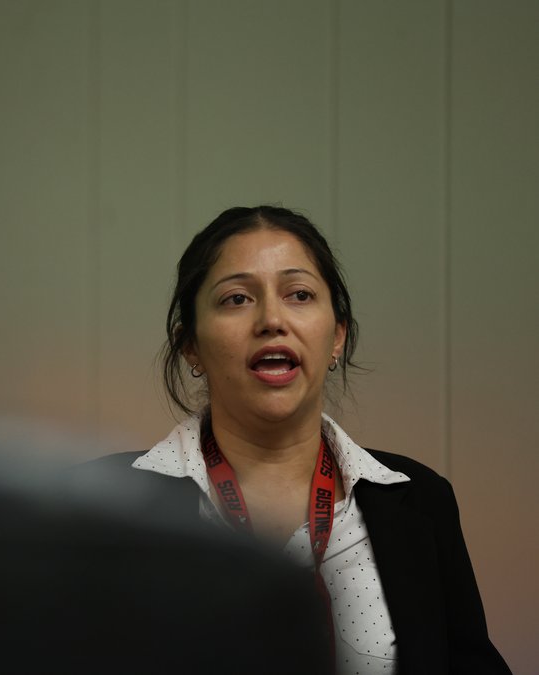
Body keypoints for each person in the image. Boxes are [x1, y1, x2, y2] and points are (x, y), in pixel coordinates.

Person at [91, 206, 510, 674]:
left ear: (337, 335)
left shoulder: (421, 501)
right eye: (236, 298)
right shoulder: (100, 508)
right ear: (190, 344)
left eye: (299, 294)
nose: (272, 319)